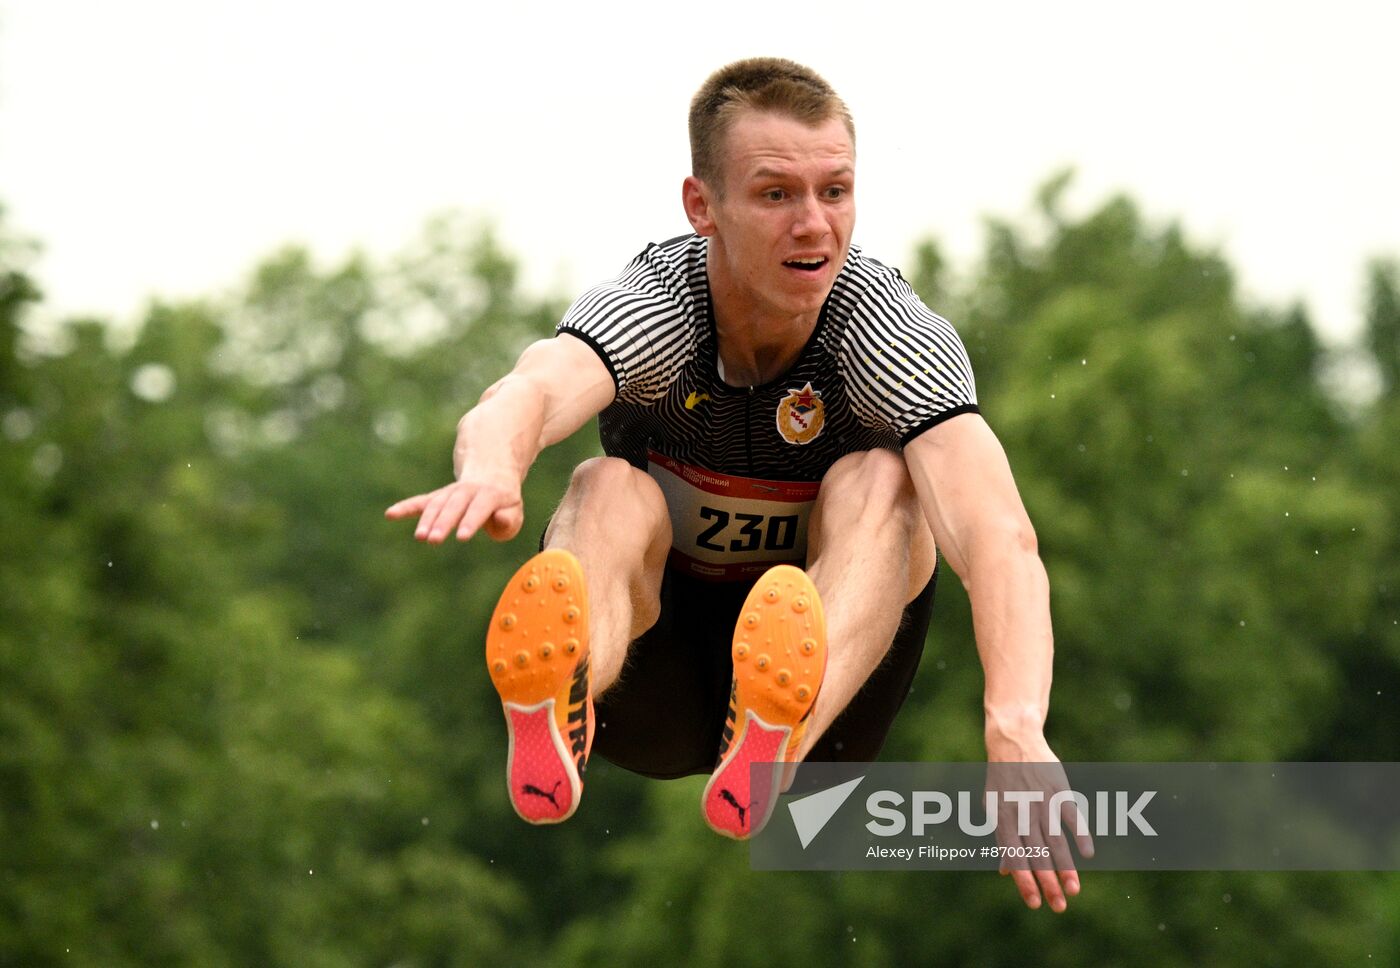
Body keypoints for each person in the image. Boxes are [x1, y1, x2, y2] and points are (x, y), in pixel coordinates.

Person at [387, 57, 1083, 912]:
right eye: (776, 194)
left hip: (831, 689)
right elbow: (533, 388)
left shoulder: (887, 333)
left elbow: (997, 534)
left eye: (836, 192)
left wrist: (1016, 725)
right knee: (605, 486)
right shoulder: (658, 305)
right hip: (654, 670)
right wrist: (494, 467)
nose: (814, 226)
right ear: (701, 207)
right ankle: (561, 692)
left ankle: (778, 722)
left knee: (888, 482)